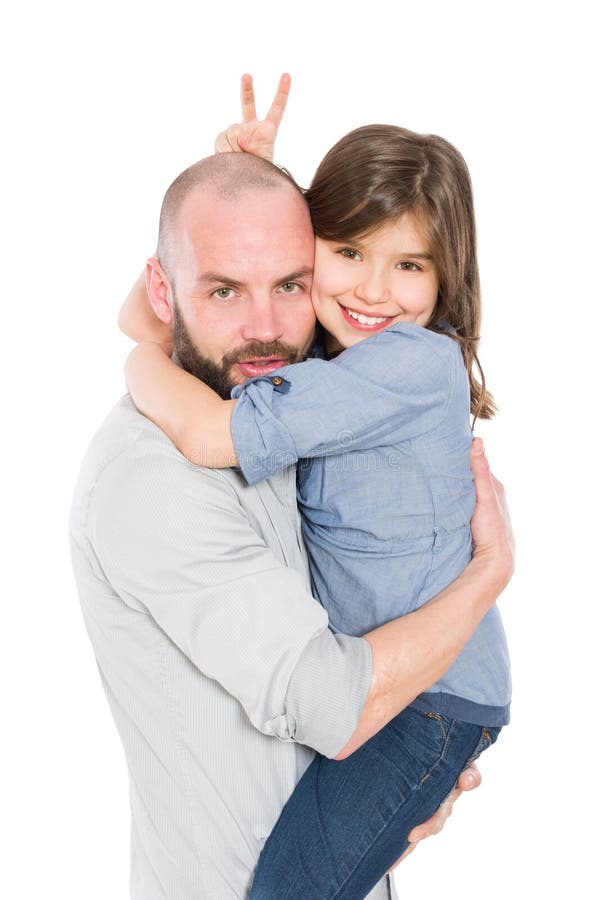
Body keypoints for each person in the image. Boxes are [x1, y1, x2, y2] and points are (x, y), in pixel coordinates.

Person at [71, 135, 513, 900]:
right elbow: (335, 705)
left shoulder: (327, 375)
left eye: (288, 281)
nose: (265, 325)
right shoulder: (155, 477)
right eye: (224, 289)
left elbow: (162, 330)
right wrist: (490, 574)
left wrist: (251, 204)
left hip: (419, 713)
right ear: (166, 289)